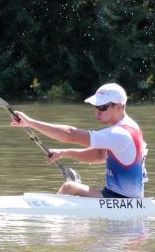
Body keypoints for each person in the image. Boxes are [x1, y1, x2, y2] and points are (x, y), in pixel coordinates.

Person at [11, 83, 147, 198]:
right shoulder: (127, 126)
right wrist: (64, 153)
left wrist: (30, 122)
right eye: (96, 107)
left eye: (102, 107)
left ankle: (52, 225)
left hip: (122, 200)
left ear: (119, 107)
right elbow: (99, 155)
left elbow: (71, 134)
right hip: (115, 196)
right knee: (73, 189)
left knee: (69, 187)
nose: (97, 112)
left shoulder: (120, 133)